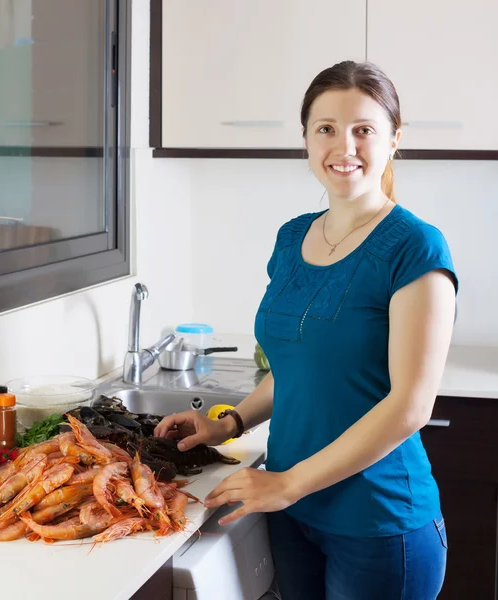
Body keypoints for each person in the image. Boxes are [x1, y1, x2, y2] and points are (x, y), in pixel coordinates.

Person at [155, 61, 458, 600]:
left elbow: (412, 405)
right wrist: (229, 422)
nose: (345, 146)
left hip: (379, 521)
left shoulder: (416, 247)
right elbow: (296, 367)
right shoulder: (292, 237)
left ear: (394, 141)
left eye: (364, 129)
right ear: (306, 140)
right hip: (292, 510)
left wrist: (285, 484)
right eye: (326, 129)